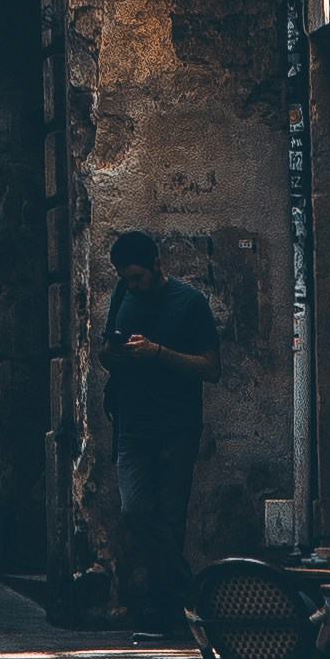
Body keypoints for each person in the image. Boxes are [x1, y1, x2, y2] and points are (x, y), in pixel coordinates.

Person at [98, 231, 219, 636]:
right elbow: (104, 351)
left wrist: (159, 353)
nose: (132, 286)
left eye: (137, 278)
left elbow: (210, 367)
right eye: (125, 279)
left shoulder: (189, 303)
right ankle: (192, 601)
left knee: (170, 520)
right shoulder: (122, 295)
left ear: (156, 266)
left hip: (176, 427)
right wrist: (112, 353)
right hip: (132, 425)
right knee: (134, 510)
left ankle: (169, 615)